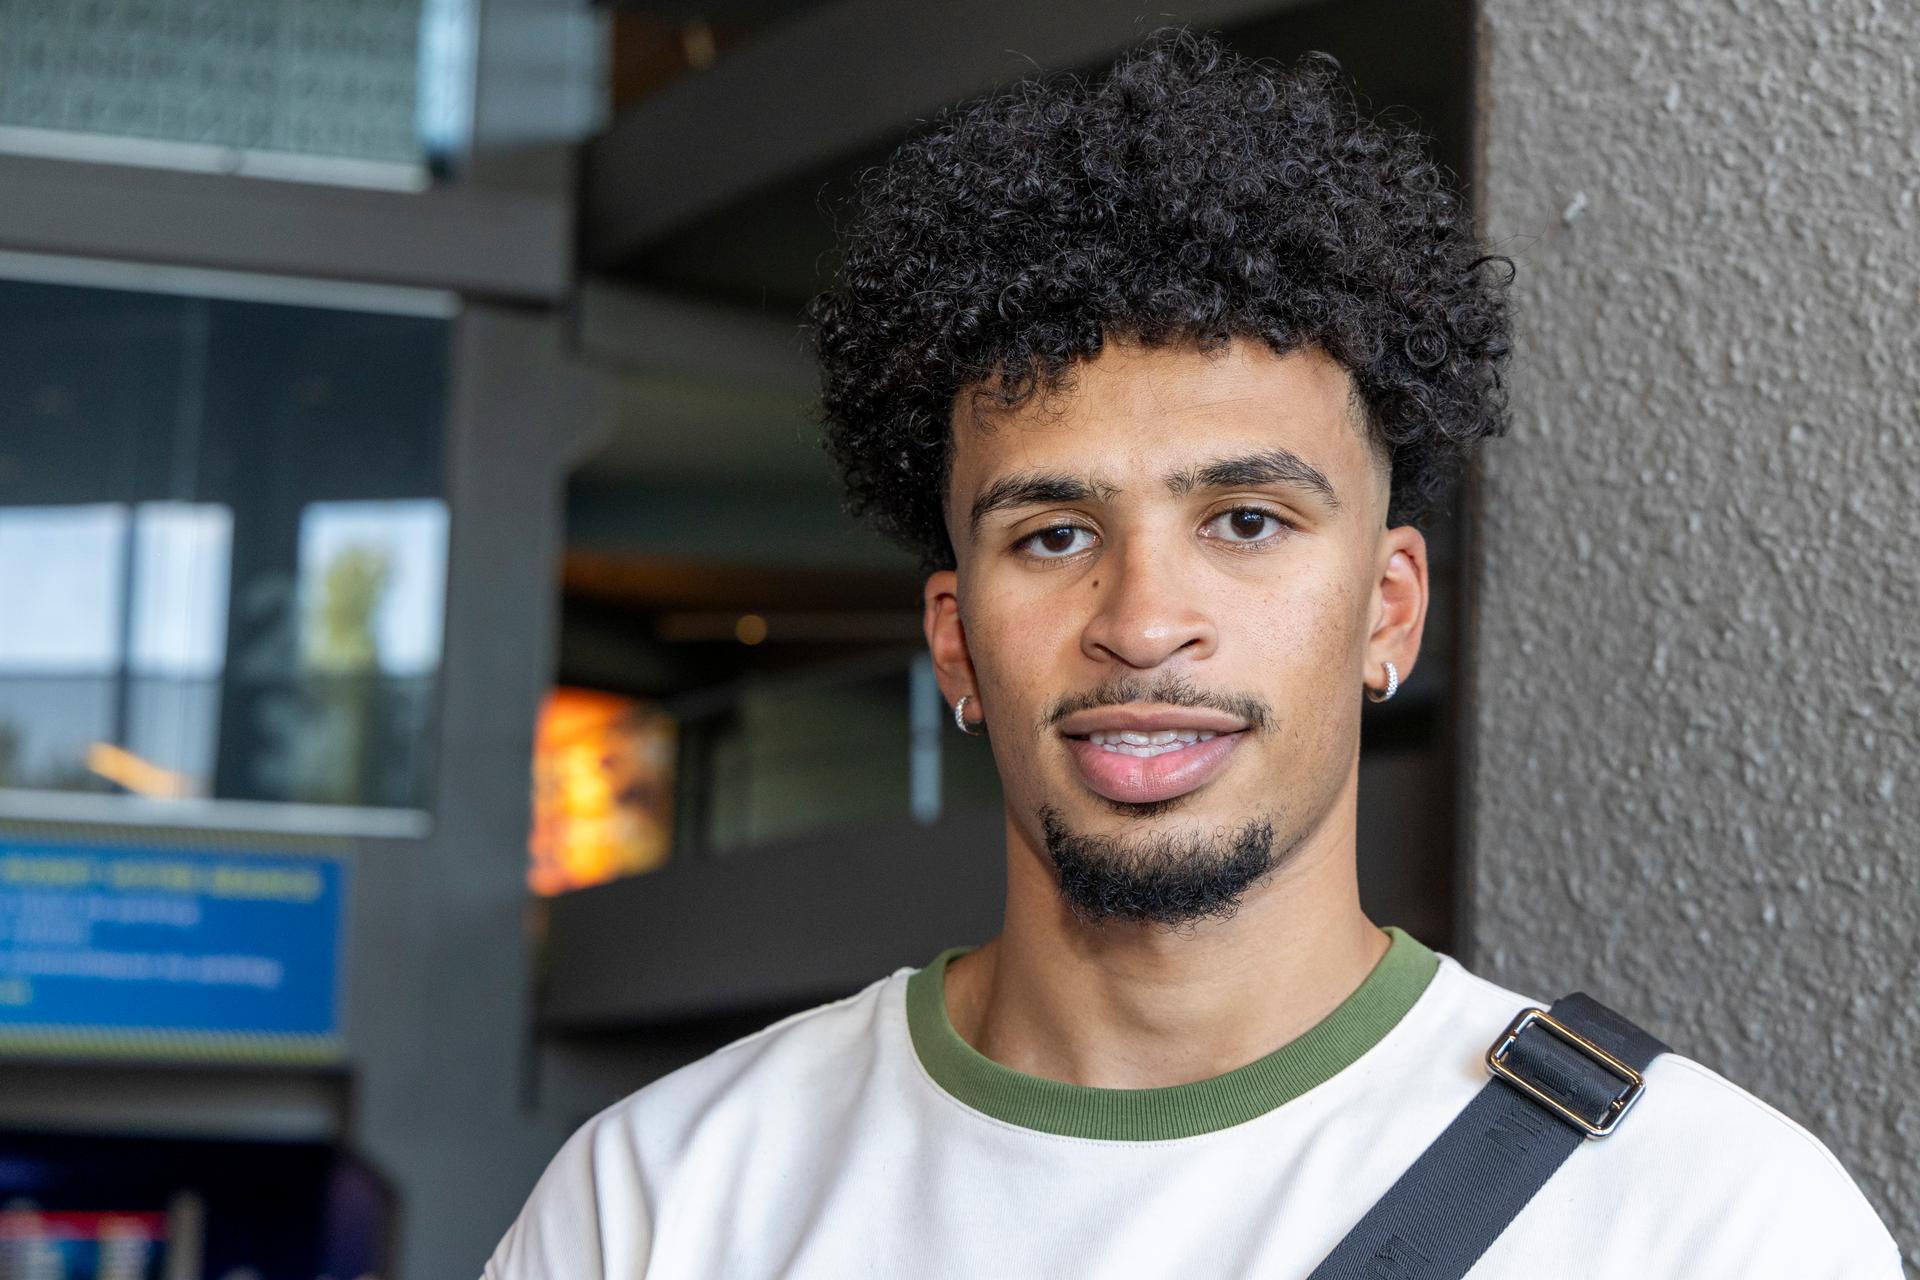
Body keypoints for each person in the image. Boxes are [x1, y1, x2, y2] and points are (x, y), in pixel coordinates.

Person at [483, 29, 1902, 1278]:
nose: (1145, 618)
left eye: (1244, 518)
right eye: (1051, 535)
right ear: (955, 644)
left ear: (1389, 611)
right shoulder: (657, 1208)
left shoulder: (1707, 1223)